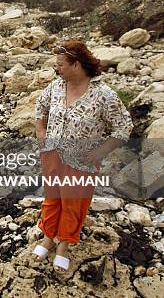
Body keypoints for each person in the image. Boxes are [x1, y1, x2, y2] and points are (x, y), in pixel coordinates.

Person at [31, 40, 133, 272]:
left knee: (73, 205)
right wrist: (40, 131)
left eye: (60, 65)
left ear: (76, 64)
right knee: (52, 199)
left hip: (82, 163)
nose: (56, 70)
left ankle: (63, 247)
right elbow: (41, 106)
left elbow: (124, 127)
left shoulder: (103, 95)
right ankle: (47, 239)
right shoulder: (56, 87)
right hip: (52, 155)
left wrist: (101, 152)